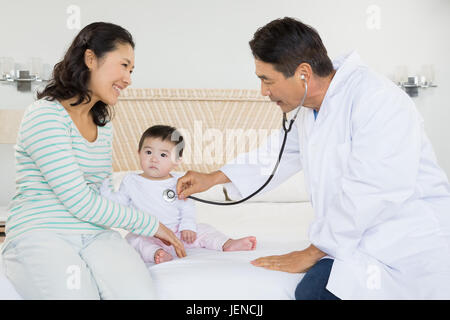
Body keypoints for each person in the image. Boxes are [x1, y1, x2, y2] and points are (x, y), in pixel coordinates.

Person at [176, 17, 450, 299]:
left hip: (409, 247)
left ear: (303, 74)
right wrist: (212, 178)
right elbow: (273, 156)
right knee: (313, 291)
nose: (263, 92)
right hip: (354, 244)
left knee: (314, 293)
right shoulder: (310, 112)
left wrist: (312, 252)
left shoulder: (377, 100)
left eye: (267, 80)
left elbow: (372, 190)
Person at [1, 22, 186, 300]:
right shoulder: (44, 116)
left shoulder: (102, 124)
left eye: (131, 70)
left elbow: (102, 192)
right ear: (90, 59)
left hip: (96, 233)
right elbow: (78, 199)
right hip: (42, 232)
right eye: (124, 65)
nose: (128, 78)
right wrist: (151, 224)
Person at [100, 125, 257, 264]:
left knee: (205, 229)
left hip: (178, 232)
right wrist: (104, 185)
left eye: (163, 155)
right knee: (133, 240)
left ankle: (227, 244)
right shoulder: (130, 180)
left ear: (177, 160)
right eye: (148, 152)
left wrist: (187, 227)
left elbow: (186, 206)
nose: (154, 159)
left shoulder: (179, 181)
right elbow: (118, 205)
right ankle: (157, 253)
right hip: (147, 233)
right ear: (139, 153)